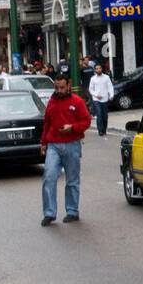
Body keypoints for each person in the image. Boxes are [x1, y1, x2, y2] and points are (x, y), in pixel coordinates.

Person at [40, 75, 92, 226]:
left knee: (72, 181)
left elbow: (86, 121)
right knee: (49, 177)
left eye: (62, 87)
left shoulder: (77, 101)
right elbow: (47, 123)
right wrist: (43, 142)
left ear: (69, 85)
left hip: (72, 144)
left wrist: (72, 127)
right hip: (53, 145)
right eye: (56, 87)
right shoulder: (52, 101)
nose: (59, 90)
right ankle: (49, 213)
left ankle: (72, 211)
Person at [88, 63, 114, 136]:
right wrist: (96, 95)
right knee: (99, 114)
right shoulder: (93, 79)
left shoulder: (106, 77)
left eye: (99, 68)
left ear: (101, 69)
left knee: (104, 116)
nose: (98, 70)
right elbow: (91, 89)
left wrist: (111, 95)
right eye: (97, 68)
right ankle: (100, 131)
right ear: (95, 70)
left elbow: (110, 87)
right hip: (96, 99)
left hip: (105, 99)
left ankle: (104, 129)